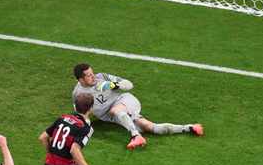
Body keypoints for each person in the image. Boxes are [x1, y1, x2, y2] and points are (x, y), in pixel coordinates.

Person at [72, 63, 204, 150]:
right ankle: (189, 128)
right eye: (89, 75)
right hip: (113, 116)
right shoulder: (78, 94)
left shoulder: (102, 77)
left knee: (116, 110)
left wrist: (115, 85)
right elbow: (81, 115)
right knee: (149, 127)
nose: (93, 76)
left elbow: (129, 84)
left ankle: (135, 136)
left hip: (125, 101)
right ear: (80, 79)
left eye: (92, 72)